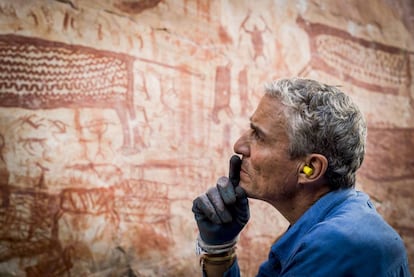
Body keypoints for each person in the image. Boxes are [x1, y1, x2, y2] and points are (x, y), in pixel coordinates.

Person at [192, 78, 410, 276]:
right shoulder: (340, 223)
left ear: (310, 168)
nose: (239, 146)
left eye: (258, 136)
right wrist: (220, 251)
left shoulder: (337, 244)